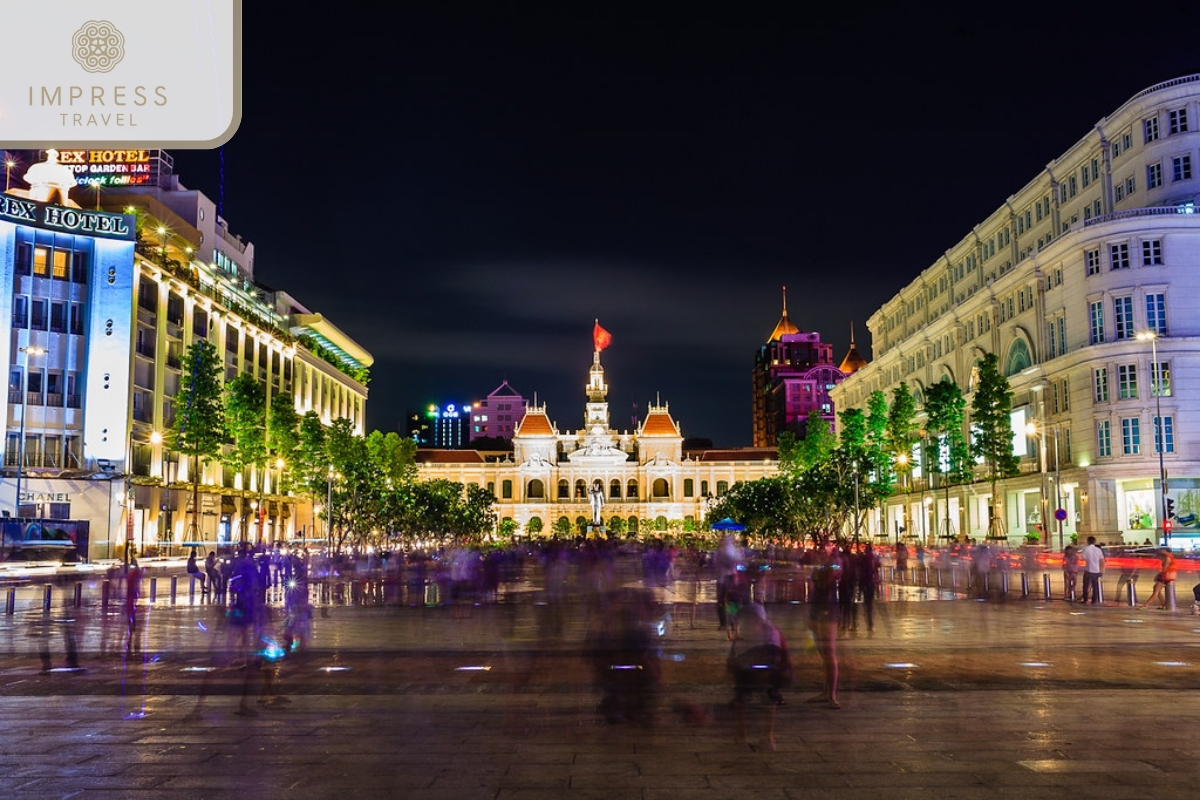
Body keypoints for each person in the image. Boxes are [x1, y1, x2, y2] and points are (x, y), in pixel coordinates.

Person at [728, 602, 789, 750]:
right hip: (769, 669)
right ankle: (766, 737)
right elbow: (783, 652)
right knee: (768, 700)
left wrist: (732, 668)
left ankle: (742, 738)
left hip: (752, 669)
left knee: (744, 700)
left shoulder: (744, 634)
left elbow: (735, 655)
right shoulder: (774, 632)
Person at [807, 545, 841, 709]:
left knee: (829, 652)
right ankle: (826, 691)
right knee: (822, 652)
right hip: (816, 610)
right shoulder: (819, 567)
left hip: (828, 610)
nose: (819, 553)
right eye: (818, 551)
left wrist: (821, 570)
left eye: (822, 551)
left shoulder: (832, 567)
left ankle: (832, 695)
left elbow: (824, 584)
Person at [124, 559, 144, 654]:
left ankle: (130, 640)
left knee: (132, 621)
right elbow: (135, 587)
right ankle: (132, 642)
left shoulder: (132, 575)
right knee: (133, 621)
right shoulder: (134, 575)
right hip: (131, 602)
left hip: (130, 601)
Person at [1079, 536, 1105, 604]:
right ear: (1094, 541)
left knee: (1086, 585)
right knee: (1095, 586)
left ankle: (1085, 599)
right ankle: (1094, 600)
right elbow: (1101, 559)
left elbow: (1083, 557)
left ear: (1088, 541)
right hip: (1096, 570)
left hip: (1088, 569)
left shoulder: (1086, 549)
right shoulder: (1098, 550)